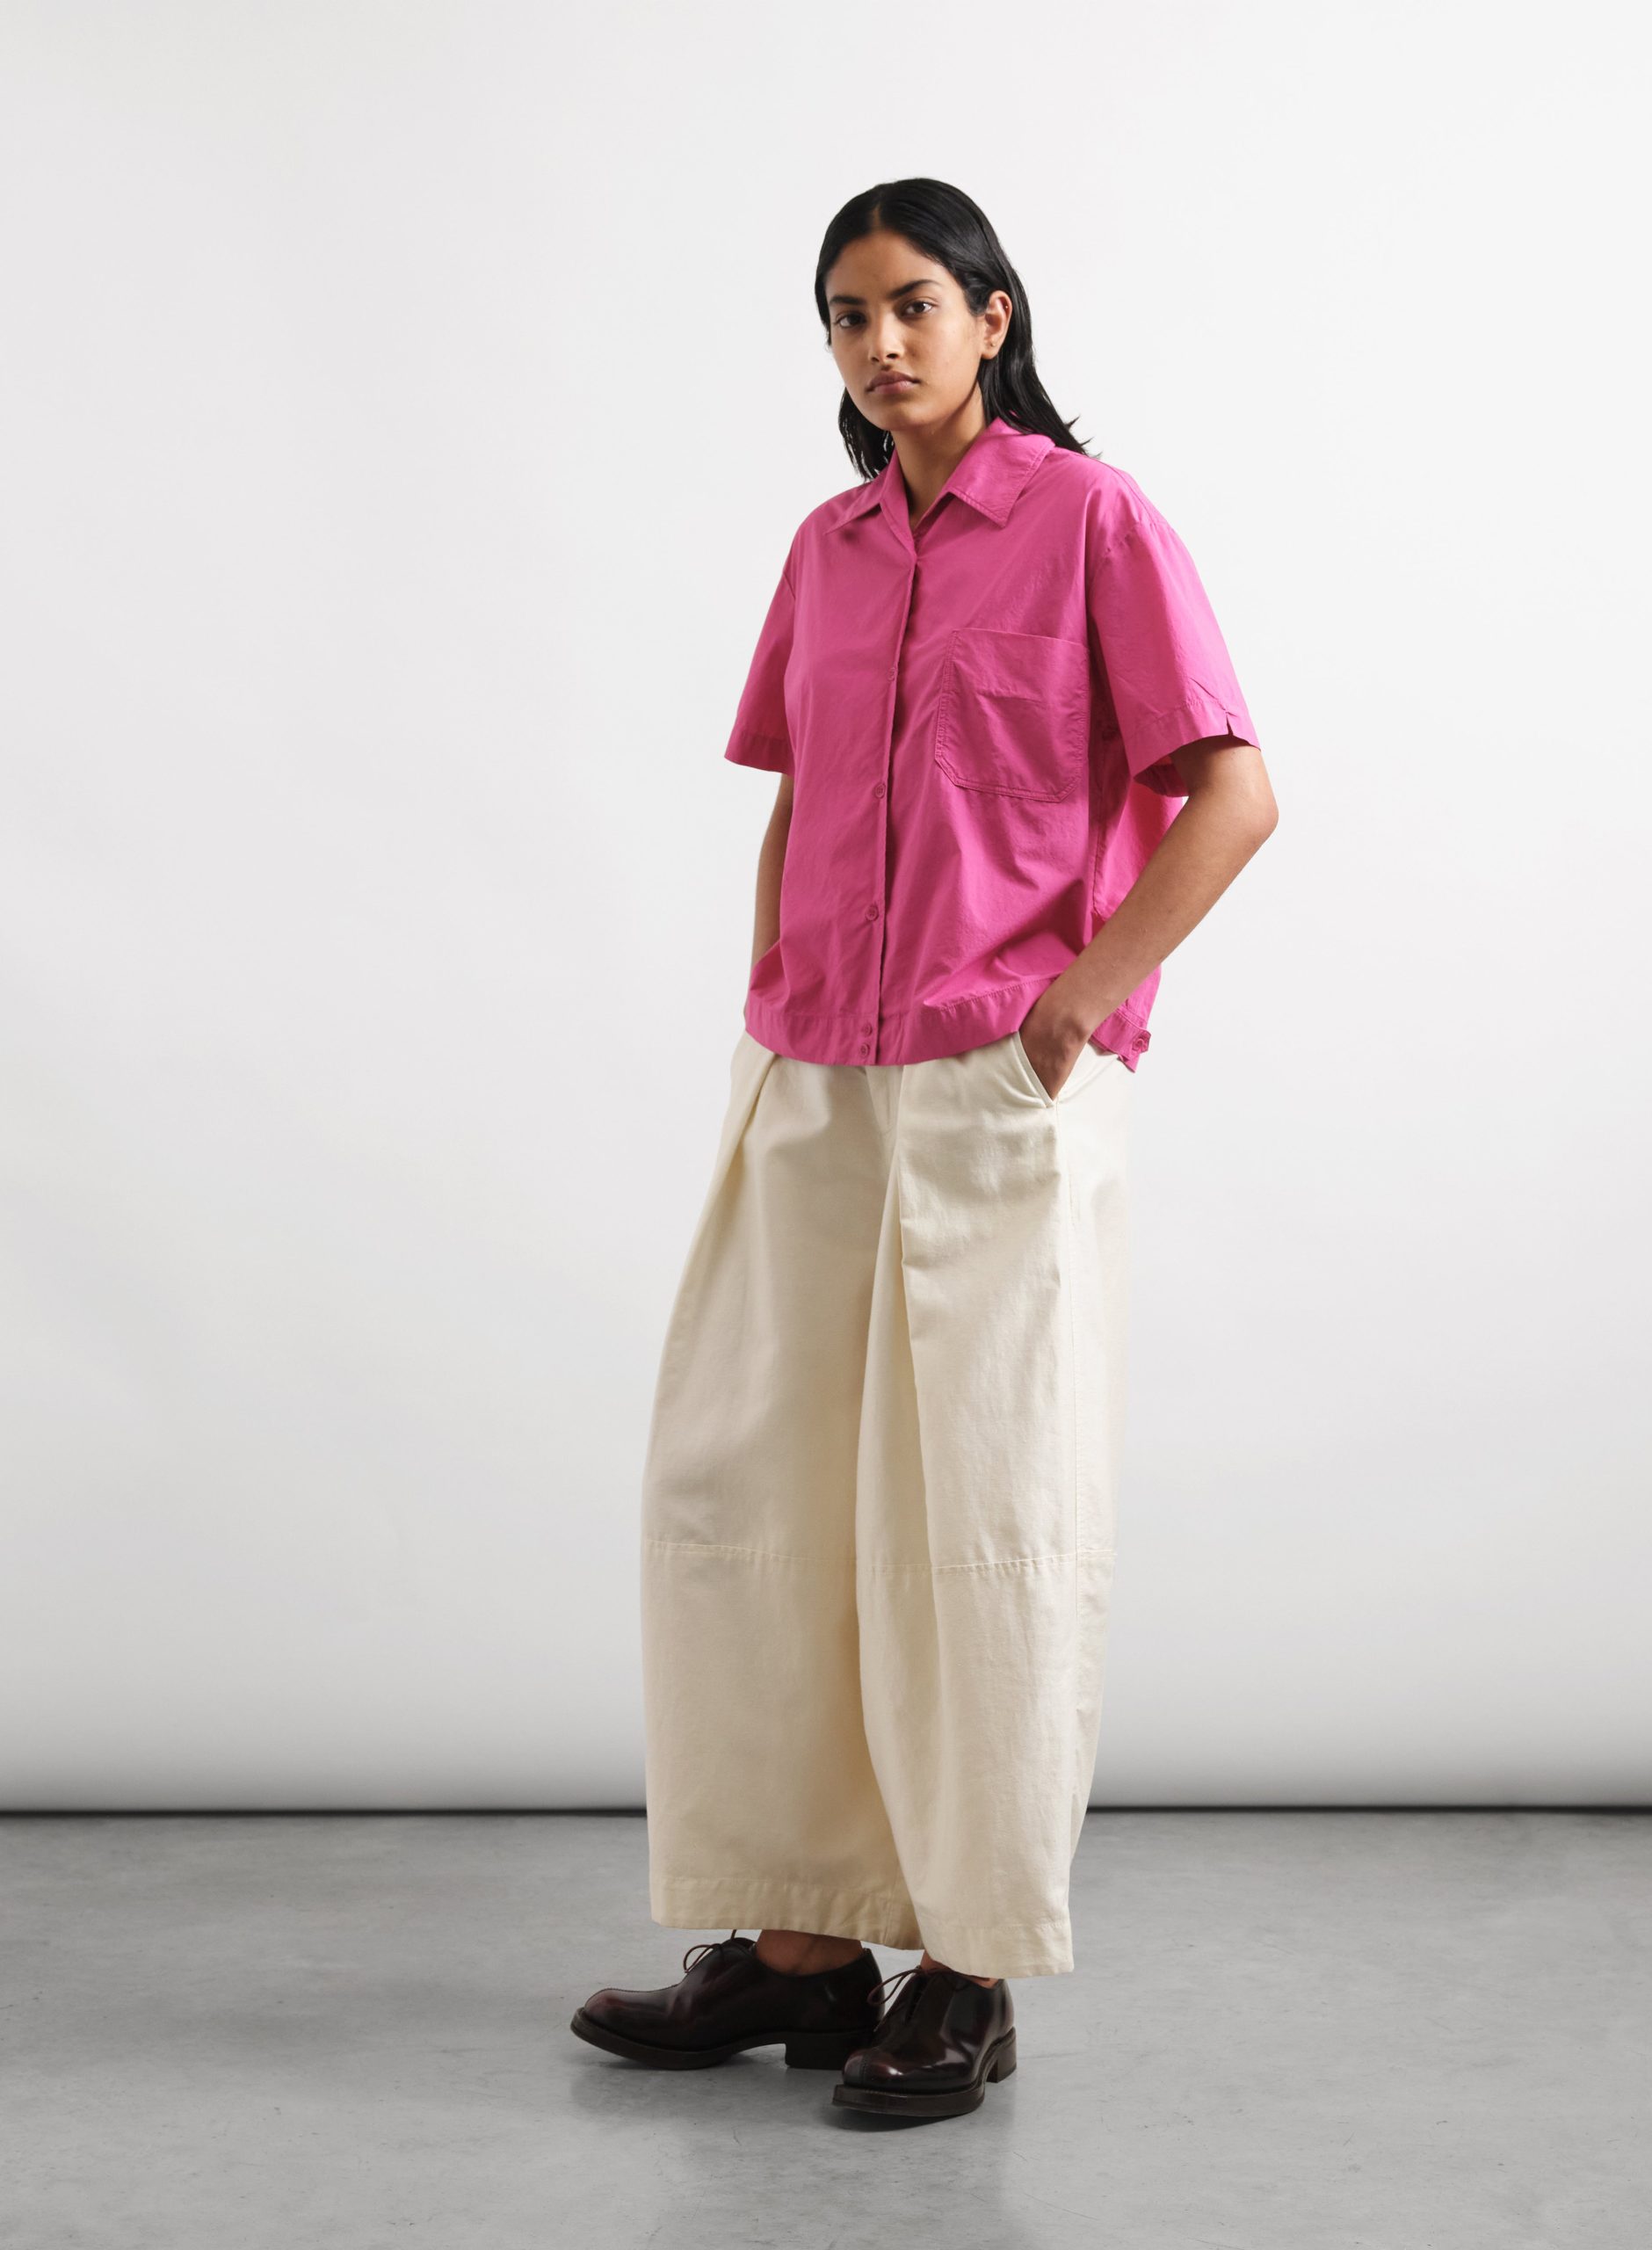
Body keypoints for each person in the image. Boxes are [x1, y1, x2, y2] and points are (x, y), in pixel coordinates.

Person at [571, 177, 1278, 2123]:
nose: (878, 344)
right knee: (756, 1494)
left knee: (977, 1513)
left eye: (910, 305)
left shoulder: (1091, 520)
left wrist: (1084, 999)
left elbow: (1232, 792)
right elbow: (799, 794)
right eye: (844, 314)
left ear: (992, 315)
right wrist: (769, 998)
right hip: (815, 1073)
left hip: (993, 1080)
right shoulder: (825, 548)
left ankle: (969, 1968)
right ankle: (801, 1950)